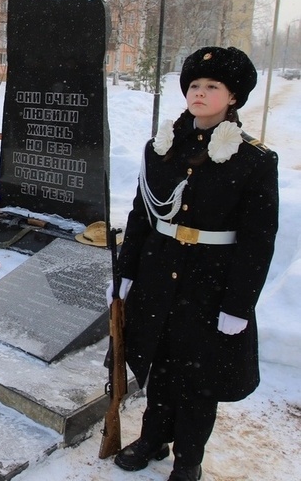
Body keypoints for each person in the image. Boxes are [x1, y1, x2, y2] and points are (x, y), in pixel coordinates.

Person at [109, 46, 279, 481]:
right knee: (160, 364)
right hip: (158, 275)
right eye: (194, 86)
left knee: (199, 378)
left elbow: (258, 241)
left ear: (233, 97)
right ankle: (152, 440)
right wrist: (126, 273)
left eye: (212, 87)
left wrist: (239, 305)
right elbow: (141, 216)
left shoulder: (254, 160)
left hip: (210, 283)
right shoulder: (162, 148)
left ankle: (189, 457)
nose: (199, 93)